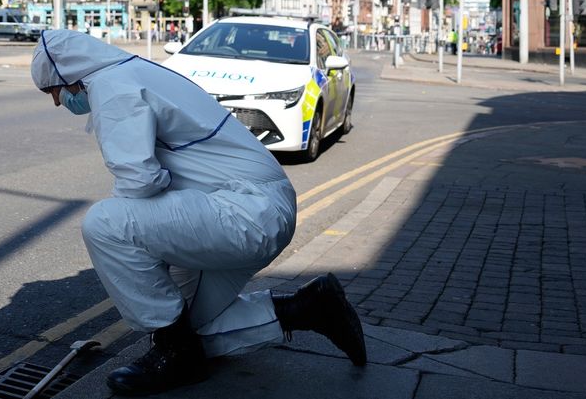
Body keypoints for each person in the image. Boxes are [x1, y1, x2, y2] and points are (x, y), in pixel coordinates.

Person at [30, 30, 367, 396]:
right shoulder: (132, 73)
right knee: (194, 329)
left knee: (105, 225)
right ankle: (310, 307)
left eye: (53, 91)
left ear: (70, 76)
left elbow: (137, 182)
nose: (56, 102)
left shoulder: (113, 87)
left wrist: (141, 254)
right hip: (246, 207)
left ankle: (175, 353)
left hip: (244, 212)